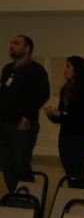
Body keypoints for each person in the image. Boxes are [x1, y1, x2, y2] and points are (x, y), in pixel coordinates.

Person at [0, 34, 50, 191]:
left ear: (27, 48)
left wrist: (27, 115)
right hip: (4, 123)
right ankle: (15, 197)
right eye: (11, 43)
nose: (11, 45)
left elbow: (43, 94)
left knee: (21, 165)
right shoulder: (7, 69)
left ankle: (29, 197)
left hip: (23, 124)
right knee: (5, 164)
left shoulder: (36, 70)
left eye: (16, 43)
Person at [44, 56, 84, 178]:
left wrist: (61, 114)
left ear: (77, 70)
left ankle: (80, 190)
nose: (65, 69)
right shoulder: (65, 89)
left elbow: (82, 119)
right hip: (65, 135)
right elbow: (62, 116)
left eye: (68, 66)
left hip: (79, 136)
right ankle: (71, 189)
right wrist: (51, 115)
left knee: (78, 172)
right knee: (69, 172)